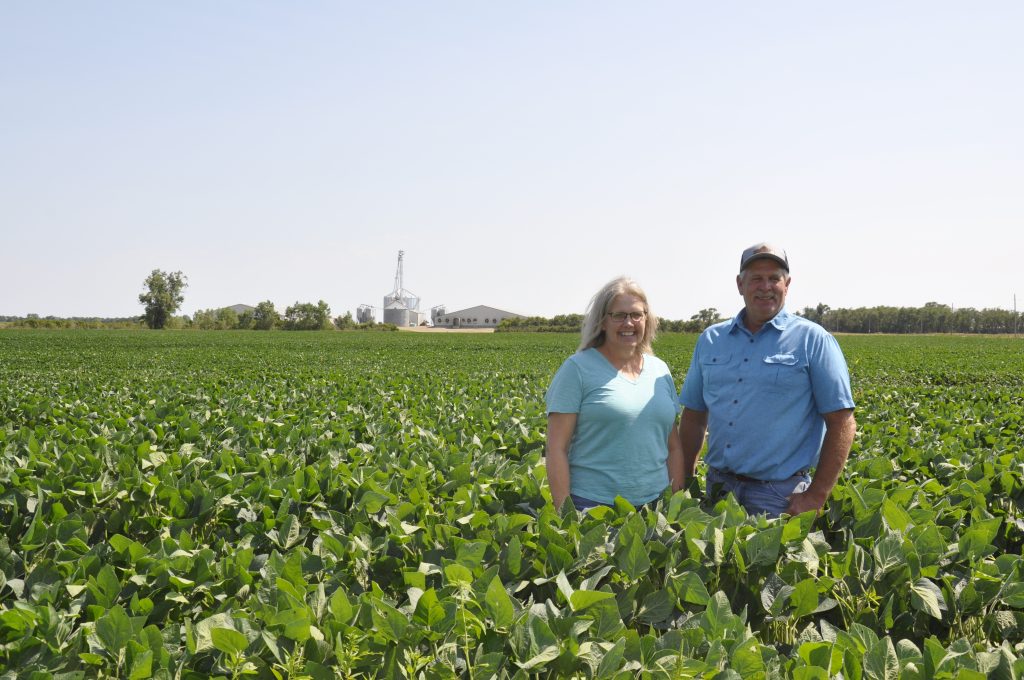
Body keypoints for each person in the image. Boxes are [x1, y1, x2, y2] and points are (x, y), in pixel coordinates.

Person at [677, 243, 856, 517]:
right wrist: (685, 480)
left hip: (779, 496)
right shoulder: (711, 339)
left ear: (787, 284)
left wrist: (817, 495)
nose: (765, 286)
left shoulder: (813, 340)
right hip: (718, 489)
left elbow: (842, 421)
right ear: (740, 284)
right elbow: (693, 415)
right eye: (756, 278)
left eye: (774, 278)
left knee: (770, 561)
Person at [545, 276, 683, 511]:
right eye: (619, 315)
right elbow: (556, 449)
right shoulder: (577, 369)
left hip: (656, 506)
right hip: (594, 506)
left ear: (647, 320)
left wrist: (676, 502)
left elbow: (673, 447)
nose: (629, 323)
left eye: (636, 315)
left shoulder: (660, 370)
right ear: (603, 322)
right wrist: (564, 513)